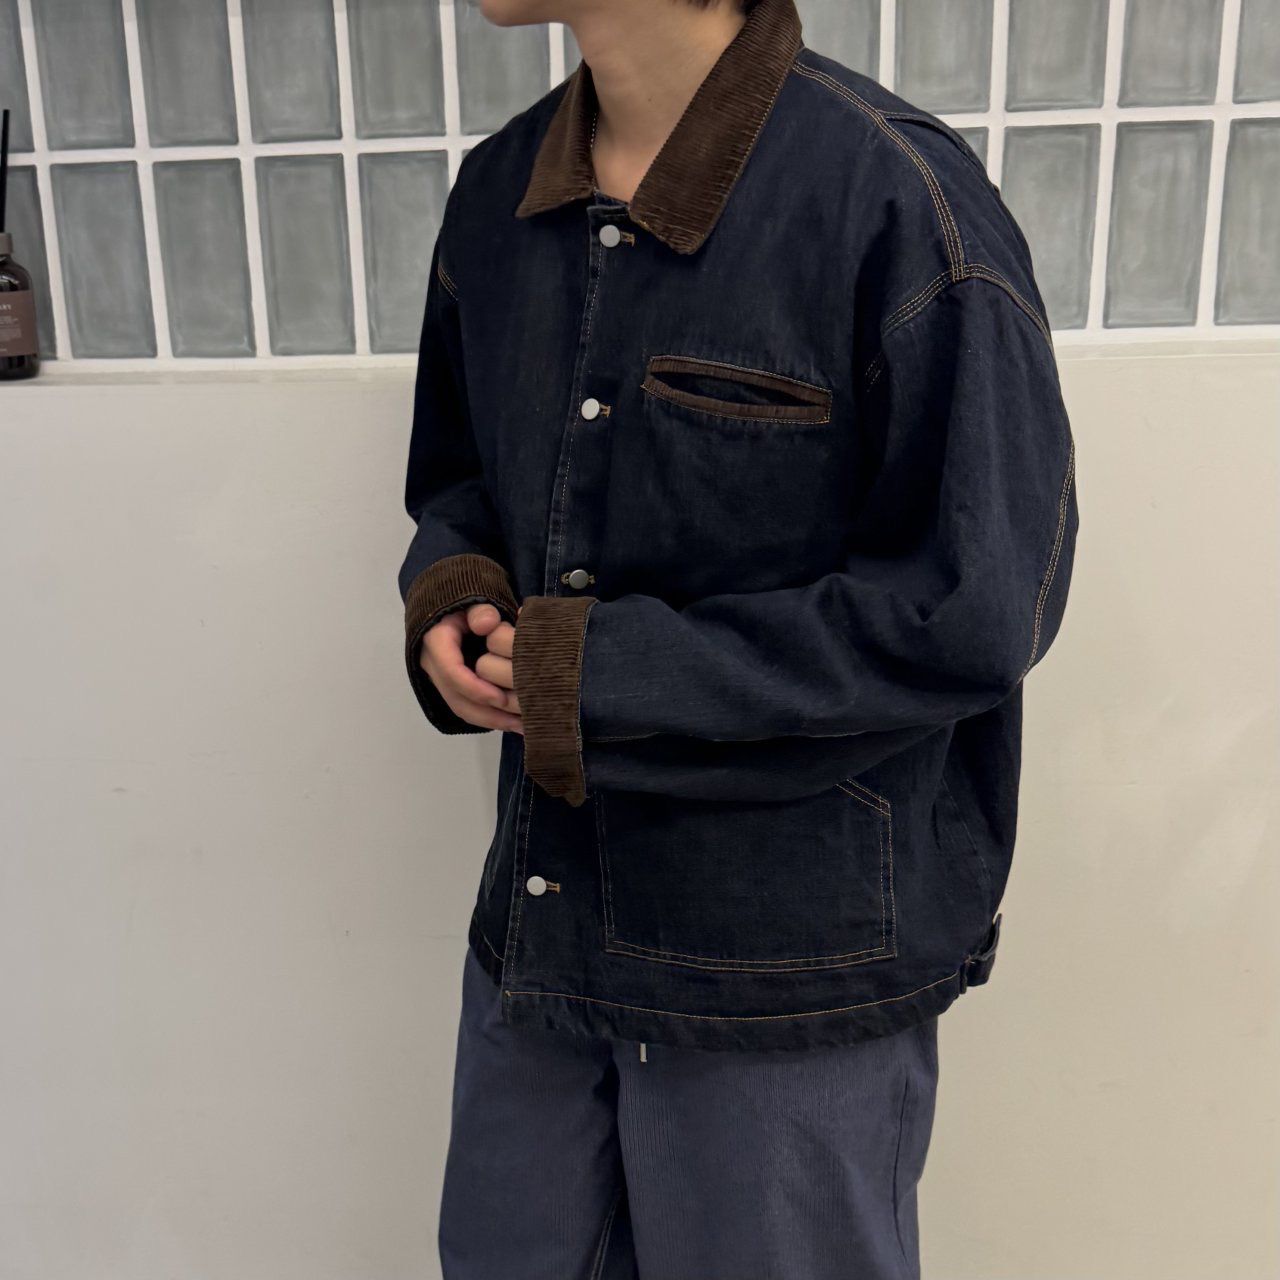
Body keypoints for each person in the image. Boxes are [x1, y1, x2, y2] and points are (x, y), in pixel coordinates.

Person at [396, 0, 1080, 1275]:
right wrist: (453, 587)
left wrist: (597, 670)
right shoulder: (497, 195)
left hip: (782, 966)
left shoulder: (895, 199)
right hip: (542, 924)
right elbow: (460, 477)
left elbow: (973, 607)